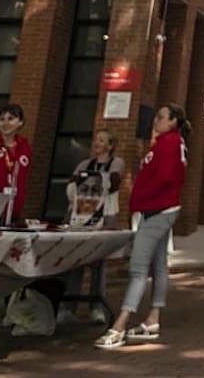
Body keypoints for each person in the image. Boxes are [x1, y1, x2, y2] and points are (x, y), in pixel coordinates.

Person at [94, 104, 188, 350]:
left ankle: (119, 326)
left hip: (158, 210)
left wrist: (144, 198)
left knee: (138, 267)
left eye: (160, 117)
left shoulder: (169, 143)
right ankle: (152, 319)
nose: (155, 121)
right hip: (161, 209)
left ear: (173, 121)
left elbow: (167, 177)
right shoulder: (170, 143)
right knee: (158, 265)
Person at [61, 130, 125, 325]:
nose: (96, 143)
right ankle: (69, 306)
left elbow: (112, 183)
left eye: (102, 140)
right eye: (96, 140)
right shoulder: (84, 163)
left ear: (110, 145)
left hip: (103, 218)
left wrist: (88, 180)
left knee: (98, 262)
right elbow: (72, 186)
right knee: (77, 260)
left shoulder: (117, 163)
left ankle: (96, 306)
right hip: (81, 217)